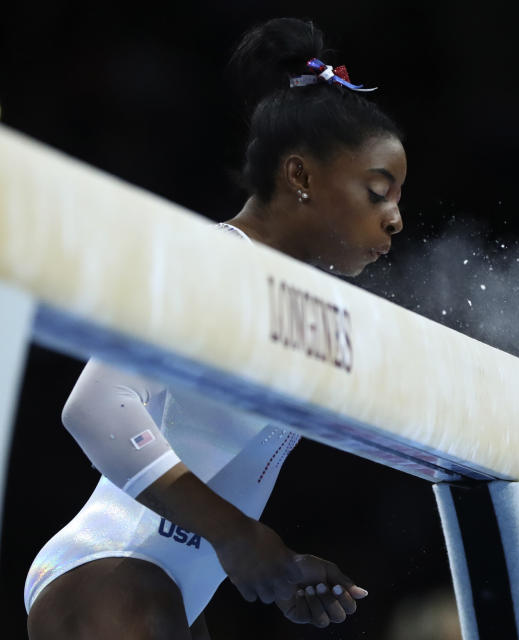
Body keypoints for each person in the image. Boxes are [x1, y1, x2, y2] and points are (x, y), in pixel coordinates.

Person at [23, 17, 406, 640]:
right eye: (377, 193)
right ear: (301, 177)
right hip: (111, 572)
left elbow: (220, 456)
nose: (394, 220)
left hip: (172, 588)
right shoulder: (215, 259)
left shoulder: (299, 306)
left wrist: (278, 569)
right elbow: (94, 406)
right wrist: (237, 535)